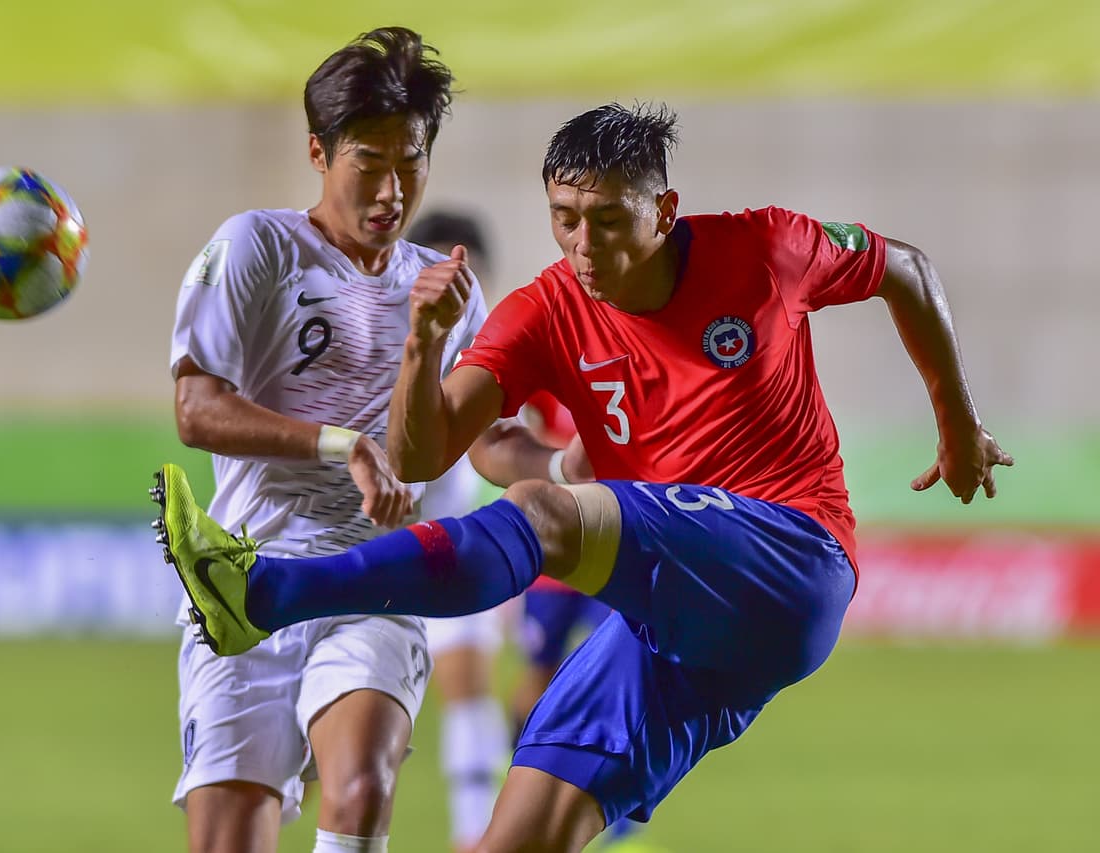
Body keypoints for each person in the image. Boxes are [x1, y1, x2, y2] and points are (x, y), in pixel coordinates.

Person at [153, 102, 1013, 851]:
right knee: (514, 838)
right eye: (564, 217)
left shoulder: (766, 247)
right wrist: (422, 340)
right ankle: (262, 596)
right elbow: (424, 452)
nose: (582, 244)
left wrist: (956, 420)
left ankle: (267, 594)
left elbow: (905, 268)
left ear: (664, 209)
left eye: (606, 219)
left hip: (793, 557)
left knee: (549, 515)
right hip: (671, 623)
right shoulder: (547, 308)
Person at [163, 27, 564, 853]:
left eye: (410, 160)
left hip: (376, 573)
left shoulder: (443, 286)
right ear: (318, 151)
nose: (391, 188)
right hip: (246, 582)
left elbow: (482, 434)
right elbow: (197, 407)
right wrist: (340, 442)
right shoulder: (258, 248)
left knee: (362, 785)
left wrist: (563, 465)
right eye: (368, 161)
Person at [406, 211, 512, 853]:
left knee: (468, 685)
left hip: (451, 546)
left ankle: (475, 835)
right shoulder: (383, 343)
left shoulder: (494, 354)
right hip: (366, 549)